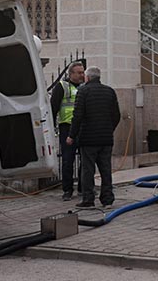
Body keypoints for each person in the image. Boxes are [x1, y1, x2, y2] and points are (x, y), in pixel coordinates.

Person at [66, 65, 121, 209]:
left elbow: (77, 116)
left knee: (88, 170)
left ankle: (88, 199)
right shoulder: (110, 92)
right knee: (105, 169)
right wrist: (109, 129)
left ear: (87, 77)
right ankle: (107, 199)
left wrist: (72, 135)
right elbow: (116, 115)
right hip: (106, 139)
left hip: (88, 139)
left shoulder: (83, 91)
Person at [49, 61, 84, 201]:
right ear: (71, 74)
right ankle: (67, 190)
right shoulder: (62, 86)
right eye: (79, 72)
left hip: (83, 127)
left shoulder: (85, 86)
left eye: (83, 72)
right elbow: (53, 108)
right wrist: (51, 128)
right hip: (67, 127)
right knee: (68, 160)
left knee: (86, 160)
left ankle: (83, 187)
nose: (82, 74)